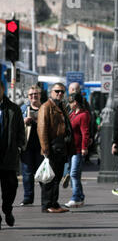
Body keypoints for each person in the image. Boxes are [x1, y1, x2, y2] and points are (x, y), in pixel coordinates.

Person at [37, 83, 75, 213]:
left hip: (61, 146)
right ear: (51, 92)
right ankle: (47, 204)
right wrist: (46, 149)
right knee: (50, 177)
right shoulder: (46, 107)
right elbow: (42, 129)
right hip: (52, 146)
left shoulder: (61, 106)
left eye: (62, 92)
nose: (60, 94)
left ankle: (54, 202)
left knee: (57, 176)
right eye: (57, 91)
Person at [0, 80, 25, 229]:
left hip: (9, 155)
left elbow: (21, 131)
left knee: (11, 186)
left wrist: (20, 146)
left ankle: (7, 209)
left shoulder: (13, 109)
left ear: (3, 89)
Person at [64, 93, 90, 208]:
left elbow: (85, 132)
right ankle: (80, 197)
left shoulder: (83, 115)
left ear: (76, 103)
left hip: (78, 149)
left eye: (71, 102)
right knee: (74, 174)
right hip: (70, 148)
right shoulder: (72, 114)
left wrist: (84, 147)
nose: (69, 104)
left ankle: (75, 198)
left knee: (74, 174)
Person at [20, 85, 44, 206]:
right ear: (28, 96)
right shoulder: (23, 109)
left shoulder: (45, 108)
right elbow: (15, 126)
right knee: (27, 173)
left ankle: (46, 198)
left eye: (36, 94)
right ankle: (28, 198)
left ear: (40, 95)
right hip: (27, 146)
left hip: (42, 146)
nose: (34, 96)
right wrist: (23, 121)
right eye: (31, 94)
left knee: (43, 173)